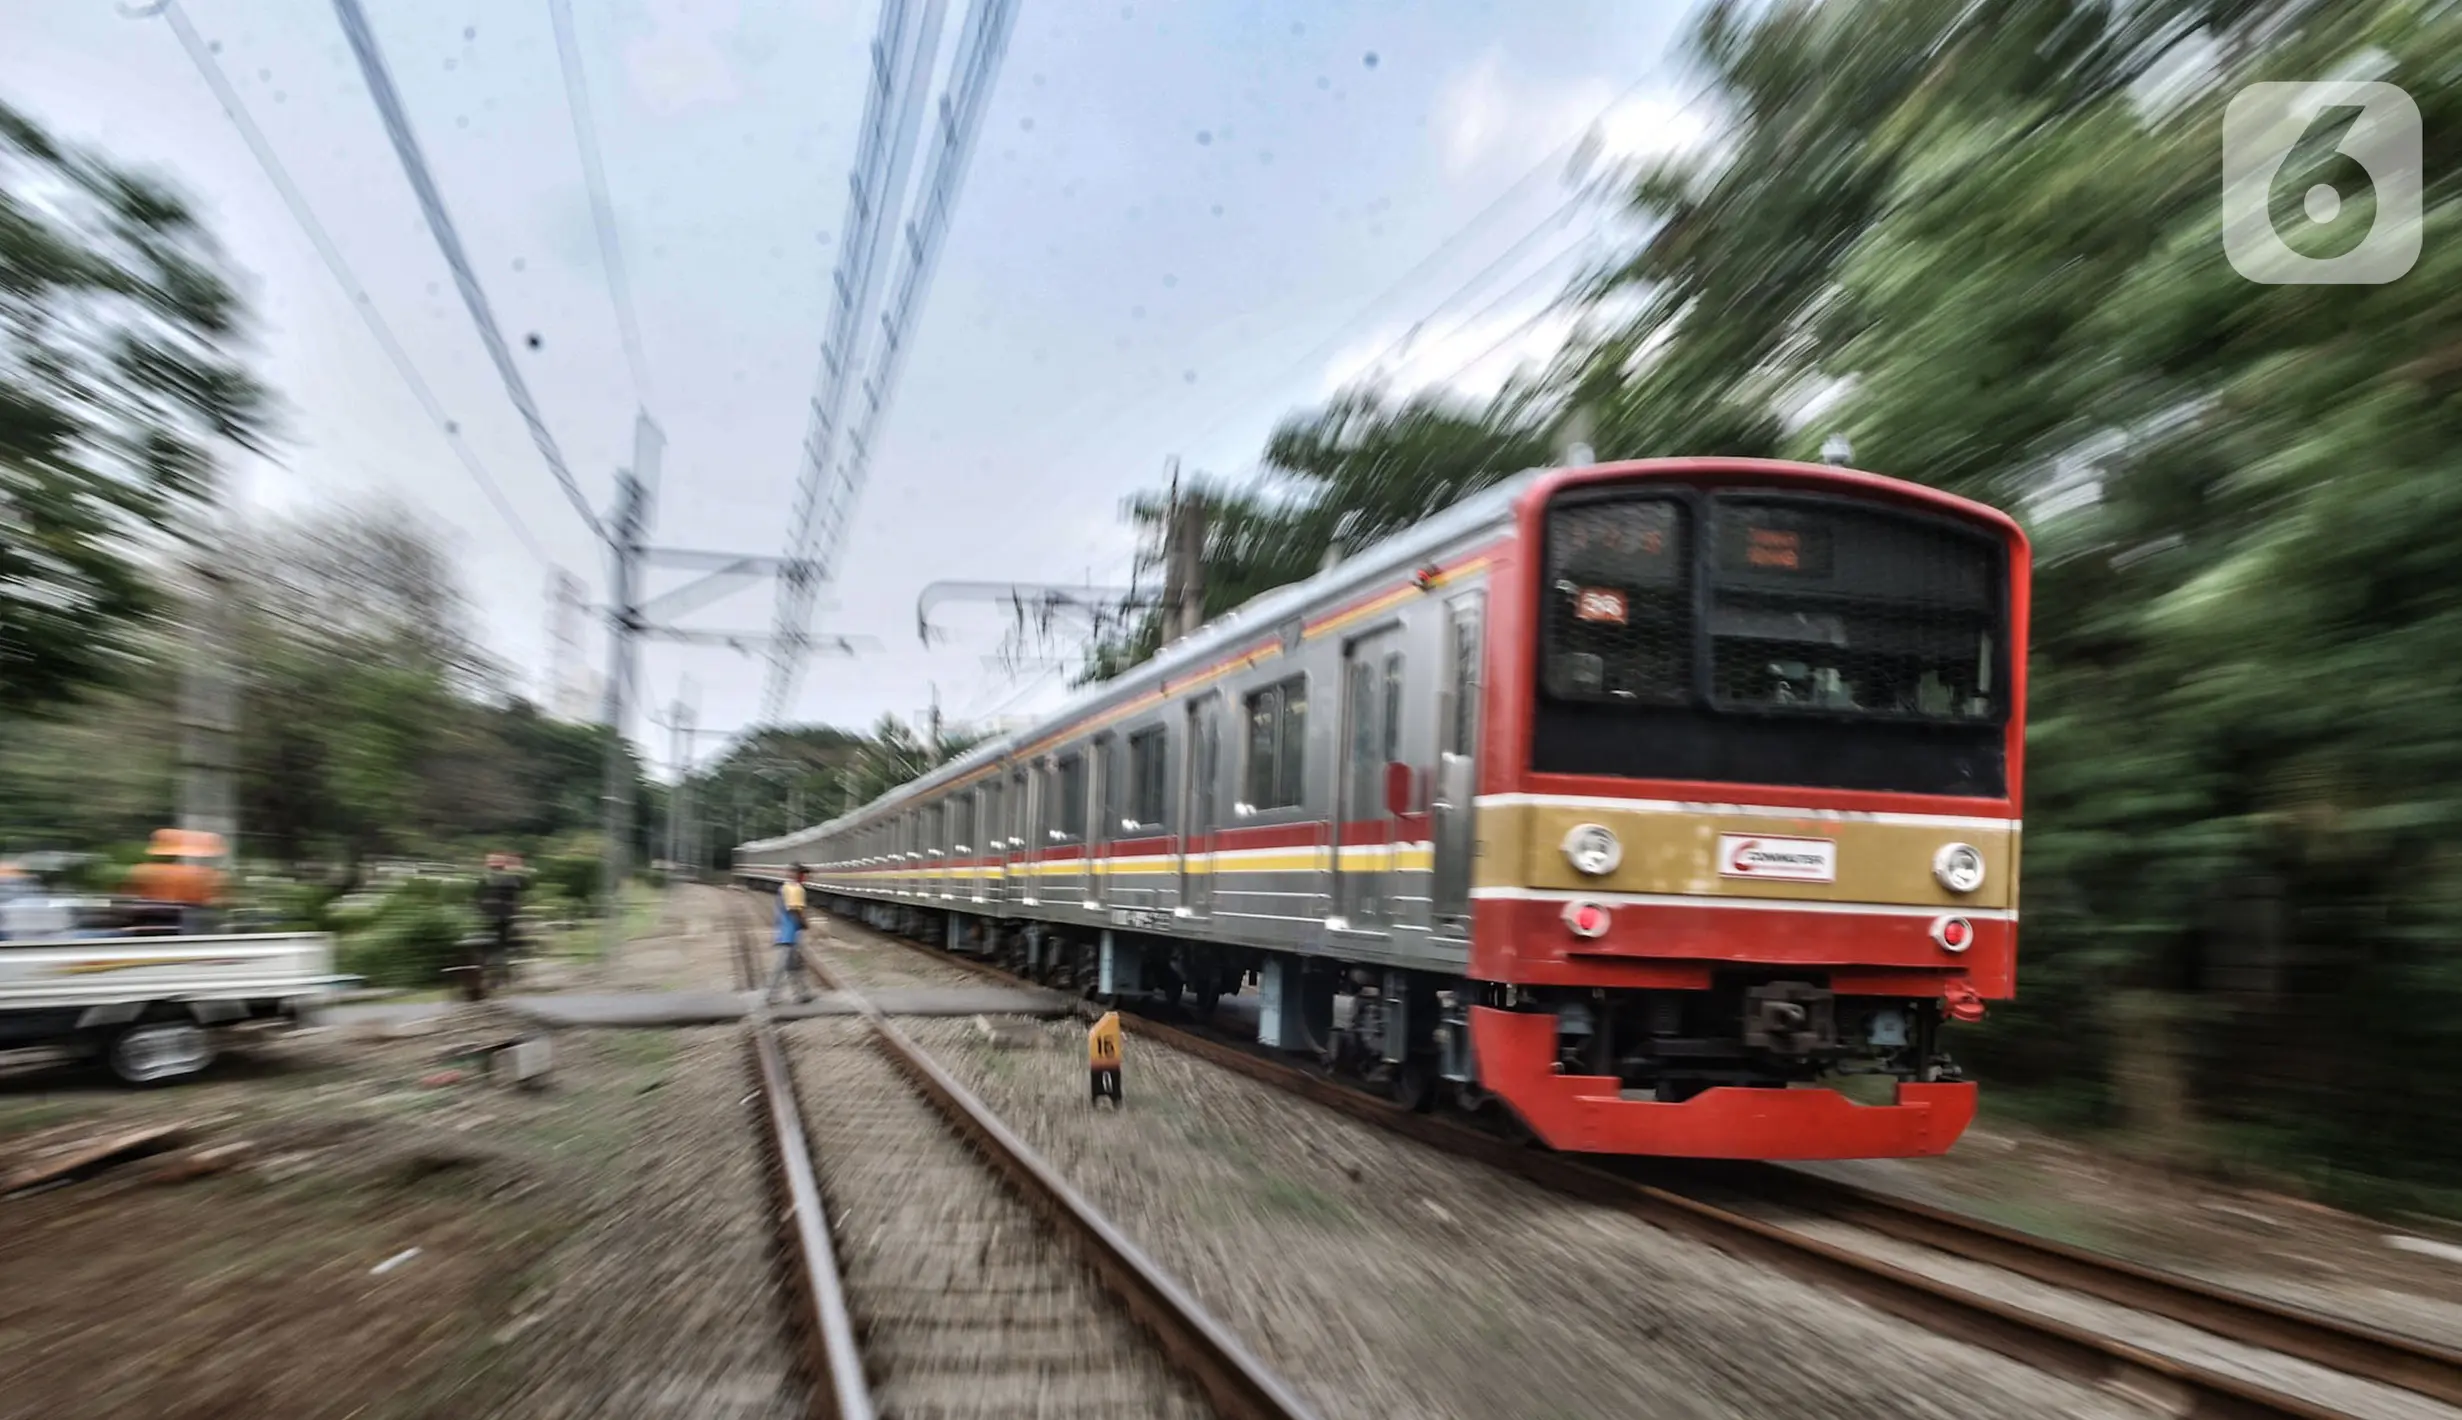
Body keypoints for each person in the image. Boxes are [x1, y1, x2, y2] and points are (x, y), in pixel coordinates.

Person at [766, 865, 817, 1005]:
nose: (807, 878)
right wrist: (805, 923)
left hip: (788, 931)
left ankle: (802, 994)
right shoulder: (795, 889)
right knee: (782, 966)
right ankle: (772, 995)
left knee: (795, 965)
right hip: (789, 933)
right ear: (800, 875)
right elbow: (795, 910)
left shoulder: (785, 887)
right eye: (805, 875)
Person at [476, 854, 524, 993]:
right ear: (503, 866)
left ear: (488, 866)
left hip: (485, 918)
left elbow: (476, 898)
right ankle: (503, 971)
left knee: (484, 946)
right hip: (505, 918)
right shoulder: (512, 879)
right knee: (502, 944)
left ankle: (486, 969)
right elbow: (516, 899)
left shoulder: (483, 879)